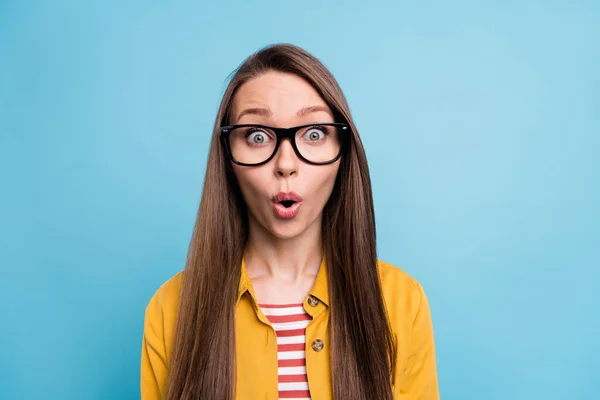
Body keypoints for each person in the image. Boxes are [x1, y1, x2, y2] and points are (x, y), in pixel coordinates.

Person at [140, 43, 439, 400]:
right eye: (257, 135)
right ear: (227, 159)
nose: (285, 164)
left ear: (343, 153)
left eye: (313, 134)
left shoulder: (401, 302)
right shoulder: (172, 307)